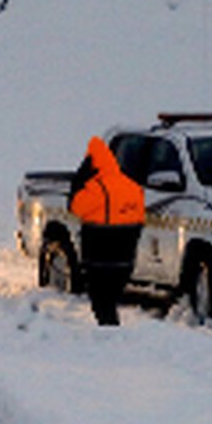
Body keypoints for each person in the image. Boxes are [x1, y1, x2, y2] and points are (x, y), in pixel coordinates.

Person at [69, 136, 145, 326]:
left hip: (99, 258)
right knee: (109, 301)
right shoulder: (132, 186)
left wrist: (79, 181)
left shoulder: (96, 190)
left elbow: (75, 206)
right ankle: (112, 334)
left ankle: (110, 338)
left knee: (101, 302)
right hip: (125, 258)